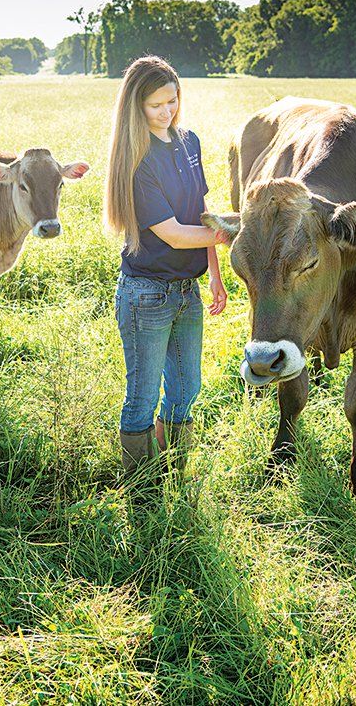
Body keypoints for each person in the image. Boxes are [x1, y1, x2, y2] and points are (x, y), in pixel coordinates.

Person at [103, 55, 228, 501]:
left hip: (186, 291)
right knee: (142, 394)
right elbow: (175, 234)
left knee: (186, 386)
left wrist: (215, 273)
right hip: (146, 295)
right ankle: (141, 487)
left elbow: (202, 213)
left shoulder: (189, 141)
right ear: (136, 107)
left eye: (172, 101)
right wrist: (234, 234)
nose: (167, 111)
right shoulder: (138, 161)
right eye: (156, 104)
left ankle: (174, 467)